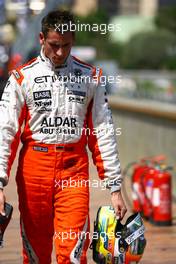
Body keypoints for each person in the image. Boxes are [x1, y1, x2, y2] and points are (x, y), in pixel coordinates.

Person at [0, 10, 127, 263]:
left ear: (74, 40)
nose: (59, 52)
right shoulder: (21, 78)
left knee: (73, 253)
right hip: (34, 171)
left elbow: (103, 132)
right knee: (35, 255)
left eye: (66, 45)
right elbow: (6, 131)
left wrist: (114, 187)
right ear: (41, 38)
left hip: (74, 171)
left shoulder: (91, 77)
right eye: (53, 45)